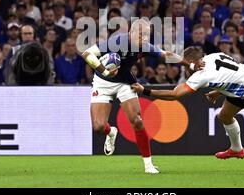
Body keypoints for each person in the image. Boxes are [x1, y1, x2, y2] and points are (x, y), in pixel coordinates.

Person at [81, 19, 204, 174]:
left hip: (125, 83)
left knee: (137, 121)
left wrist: (190, 65)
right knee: (98, 127)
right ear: (131, 33)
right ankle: (111, 132)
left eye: (147, 35)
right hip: (102, 81)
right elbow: (86, 53)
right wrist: (104, 70)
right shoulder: (116, 42)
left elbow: (166, 55)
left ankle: (148, 165)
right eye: (141, 34)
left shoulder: (145, 47)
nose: (144, 38)